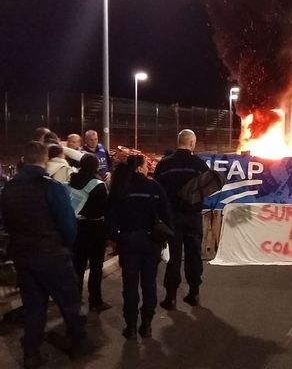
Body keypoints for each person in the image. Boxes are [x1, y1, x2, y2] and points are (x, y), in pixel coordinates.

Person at [0, 142, 87, 368]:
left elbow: (5, 223)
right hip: (53, 256)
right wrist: (65, 246)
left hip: (23, 256)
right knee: (69, 302)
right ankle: (77, 345)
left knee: (33, 306)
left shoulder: (8, 188)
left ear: (24, 159)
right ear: (45, 159)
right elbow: (68, 225)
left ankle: (31, 353)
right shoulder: (52, 187)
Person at [107, 155, 172, 339]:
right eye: (146, 166)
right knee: (149, 284)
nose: (147, 169)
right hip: (151, 243)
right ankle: (147, 325)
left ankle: (132, 326)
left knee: (130, 286)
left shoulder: (121, 187)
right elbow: (166, 215)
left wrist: (114, 239)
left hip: (128, 242)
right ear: (140, 168)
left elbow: (111, 217)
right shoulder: (154, 187)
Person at [154, 129, 209, 309]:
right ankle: (194, 293)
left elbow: (158, 193)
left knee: (173, 257)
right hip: (193, 217)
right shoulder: (200, 165)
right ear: (192, 143)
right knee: (194, 255)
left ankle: (170, 297)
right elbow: (207, 190)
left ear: (179, 142)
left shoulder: (164, 165)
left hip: (172, 218)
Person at [69, 154, 111, 313]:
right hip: (95, 229)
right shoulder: (99, 185)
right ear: (95, 167)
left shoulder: (71, 181)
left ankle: (75, 300)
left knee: (77, 266)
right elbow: (104, 209)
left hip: (77, 228)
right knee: (95, 267)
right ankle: (95, 300)